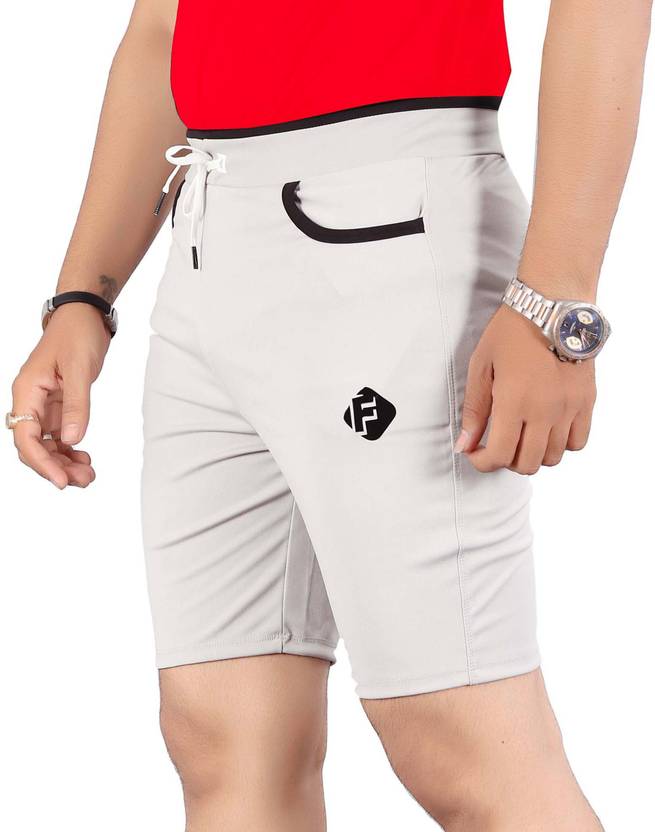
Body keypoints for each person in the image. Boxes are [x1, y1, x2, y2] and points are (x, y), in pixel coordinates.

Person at [7, 1, 651, 829]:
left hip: (390, 225)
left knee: (459, 736)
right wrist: (82, 299)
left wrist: (554, 301)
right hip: (207, 240)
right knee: (222, 736)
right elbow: (163, 24)